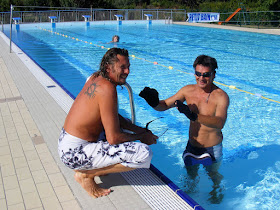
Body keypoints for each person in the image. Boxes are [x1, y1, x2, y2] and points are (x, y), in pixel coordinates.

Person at [58, 48, 158, 198]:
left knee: (119, 130)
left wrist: (140, 130)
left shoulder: (94, 77)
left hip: (66, 144)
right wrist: (142, 137)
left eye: (128, 66)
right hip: (75, 152)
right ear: (108, 68)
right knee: (144, 154)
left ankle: (91, 167)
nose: (127, 71)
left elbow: (112, 115)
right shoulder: (107, 88)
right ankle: (87, 175)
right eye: (122, 67)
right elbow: (114, 138)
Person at [139, 55, 229, 202]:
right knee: (191, 174)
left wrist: (194, 116)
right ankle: (190, 196)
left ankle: (217, 191)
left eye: (206, 74)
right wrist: (153, 102)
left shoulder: (221, 96)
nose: (201, 78)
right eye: (198, 74)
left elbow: (220, 123)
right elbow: (164, 105)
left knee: (214, 175)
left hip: (212, 148)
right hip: (192, 145)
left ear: (213, 75)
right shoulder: (187, 91)